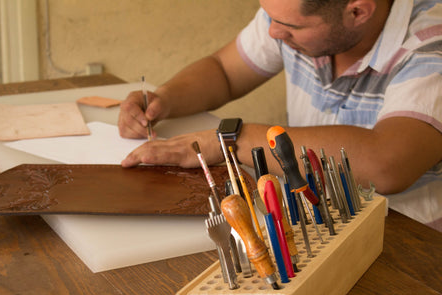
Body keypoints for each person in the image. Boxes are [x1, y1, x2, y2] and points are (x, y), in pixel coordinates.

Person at [117, 0, 442, 231]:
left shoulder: (431, 47)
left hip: (404, 238)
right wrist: (165, 98)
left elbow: (387, 163)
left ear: (357, 11)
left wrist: (231, 140)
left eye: (288, 26)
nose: (272, 32)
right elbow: (224, 72)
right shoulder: (288, 15)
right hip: (309, 220)